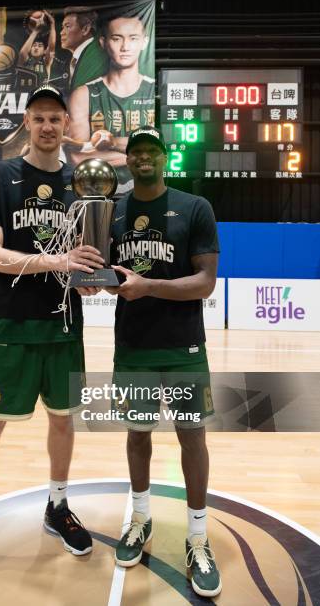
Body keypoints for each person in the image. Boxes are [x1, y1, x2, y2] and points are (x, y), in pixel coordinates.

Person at [0, 85, 105, 590]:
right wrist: (57, 261)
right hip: (9, 324)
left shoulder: (83, 183)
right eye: (40, 118)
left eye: (57, 118)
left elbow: (88, 258)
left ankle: (57, 506)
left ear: (66, 126)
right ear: (27, 124)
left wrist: (96, 277)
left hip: (64, 324)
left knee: (62, 421)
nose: (49, 126)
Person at [107, 126, 222, 597]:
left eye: (152, 150)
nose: (144, 158)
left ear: (164, 157)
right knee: (138, 435)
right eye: (136, 152)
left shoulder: (195, 208)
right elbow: (108, 272)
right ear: (129, 161)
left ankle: (197, 536)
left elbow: (204, 282)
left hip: (183, 347)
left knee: (191, 437)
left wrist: (148, 286)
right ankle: (140, 517)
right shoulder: (111, 213)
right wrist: (99, 281)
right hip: (133, 344)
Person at [67, 12, 154, 192]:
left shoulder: (155, 91)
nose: (125, 46)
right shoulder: (84, 94)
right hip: (97, 193)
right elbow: (77, 157)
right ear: (103, 43)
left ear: (144, 42)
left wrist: (112, 143)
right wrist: (142, 155)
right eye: (116, 38)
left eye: (133, 38)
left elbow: (166, 149)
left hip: (149, 192)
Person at [60, 7, 100, 93]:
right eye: (62, 27)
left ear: (85, 29)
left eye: (67, 26)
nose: (61, 32)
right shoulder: (78, 57)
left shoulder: (95, 56)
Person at [19, 10, 56, 85]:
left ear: (44, 51)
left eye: (40, 46)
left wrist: (52, 24)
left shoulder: (46, 62)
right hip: (26, 93)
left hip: (41, 93)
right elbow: (23, 53)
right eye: (34, 45)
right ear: (30, 49)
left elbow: (51, 46)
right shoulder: (24, 62)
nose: (36, 48)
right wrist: (35, 31)